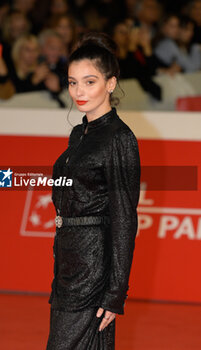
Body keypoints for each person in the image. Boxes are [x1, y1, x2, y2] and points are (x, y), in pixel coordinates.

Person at [46, 32, 141, 349]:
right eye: (73, 82)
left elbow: (125, 219)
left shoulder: (119, 139)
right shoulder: (78, 134)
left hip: (93, 268)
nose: (78, 91)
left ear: (110, 83)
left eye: (89, 82)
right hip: (68, 263)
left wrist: (116, 293)